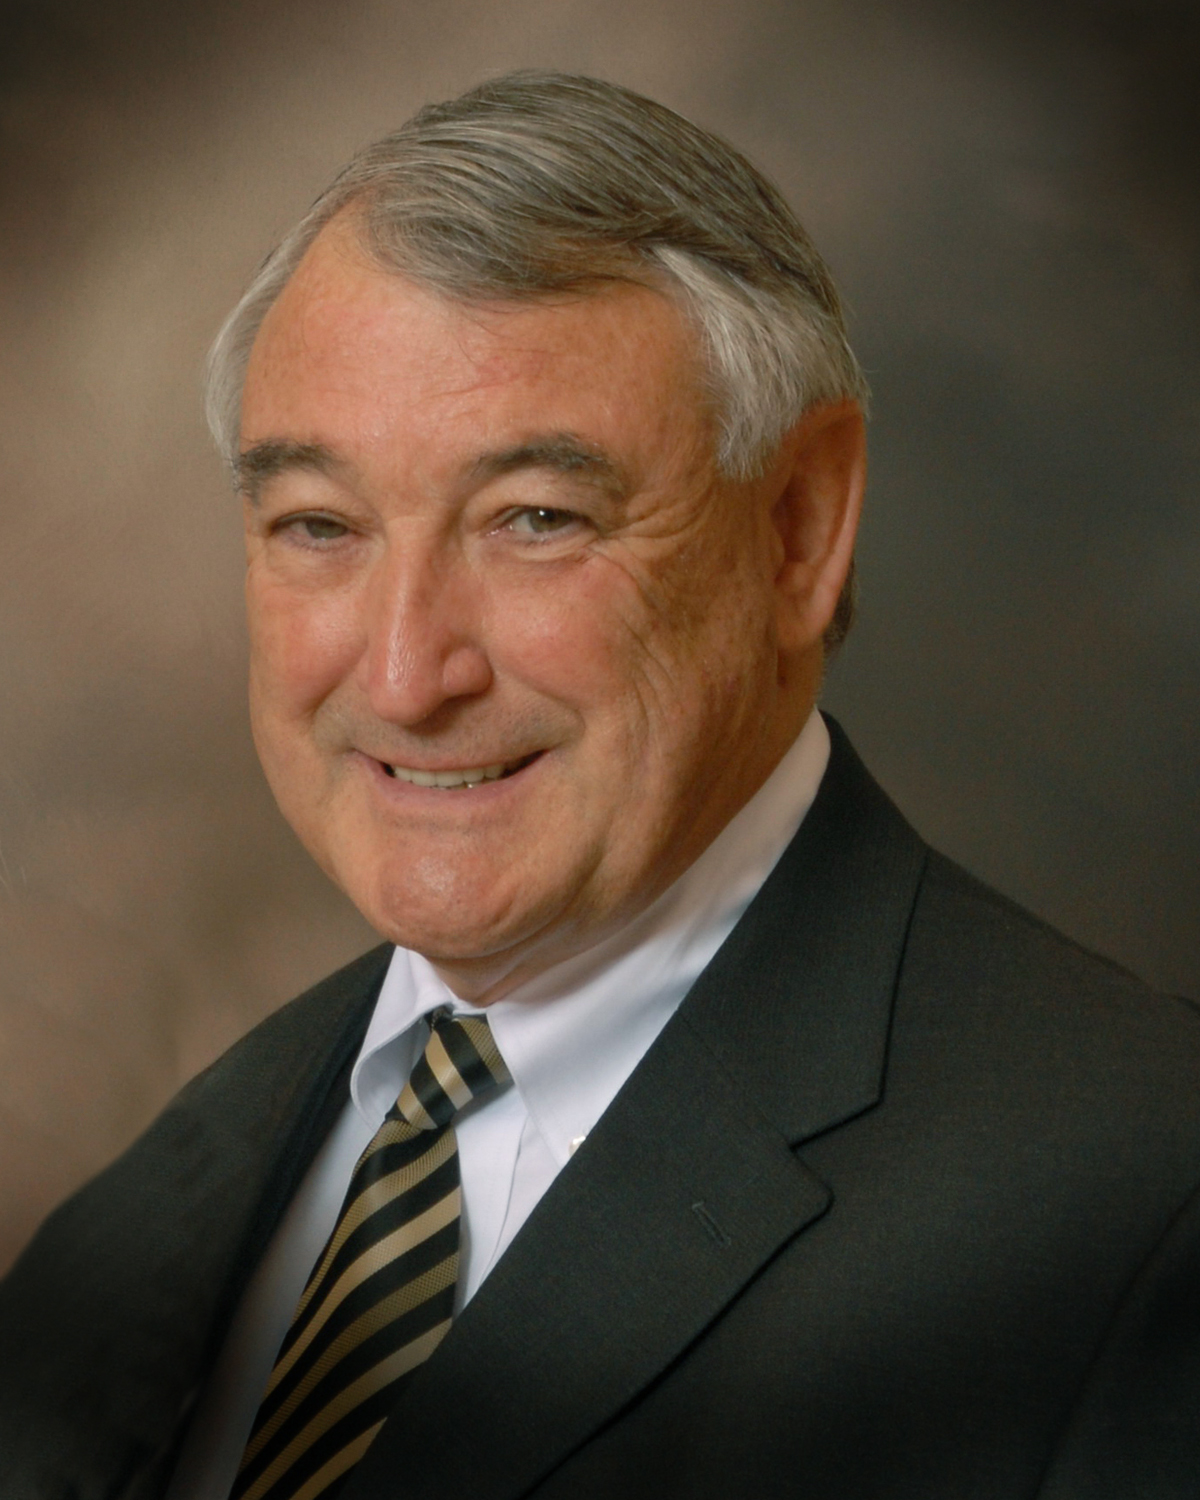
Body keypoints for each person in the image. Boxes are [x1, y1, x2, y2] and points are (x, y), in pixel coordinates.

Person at [1, 70, 1198, 1500]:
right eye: (318, 524)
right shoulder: (146, 1212)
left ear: (800, 530)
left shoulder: (1136, 1220)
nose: (402, 672)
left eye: (535, 519)